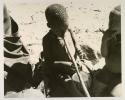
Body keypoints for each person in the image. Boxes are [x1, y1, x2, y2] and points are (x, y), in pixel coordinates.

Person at [41, 4, 90, 97]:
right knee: (70, 85)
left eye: (66, 28)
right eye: (61, 30)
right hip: (61, 71)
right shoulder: (47, 40)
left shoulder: (69, 30)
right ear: (49, 26)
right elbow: (48, 63)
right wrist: (63, 64)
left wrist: (78, 49)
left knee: (88, 76)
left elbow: (75, 41)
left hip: (76, 65)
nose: (64, 32)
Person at [93, 5, 121, 97]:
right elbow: (104, 54)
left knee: (115, 94)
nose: (111, 24)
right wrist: (104, 40)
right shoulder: (109, 35)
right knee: (95, 88)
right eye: (110, 20)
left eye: (116, 21)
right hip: (108, 70)